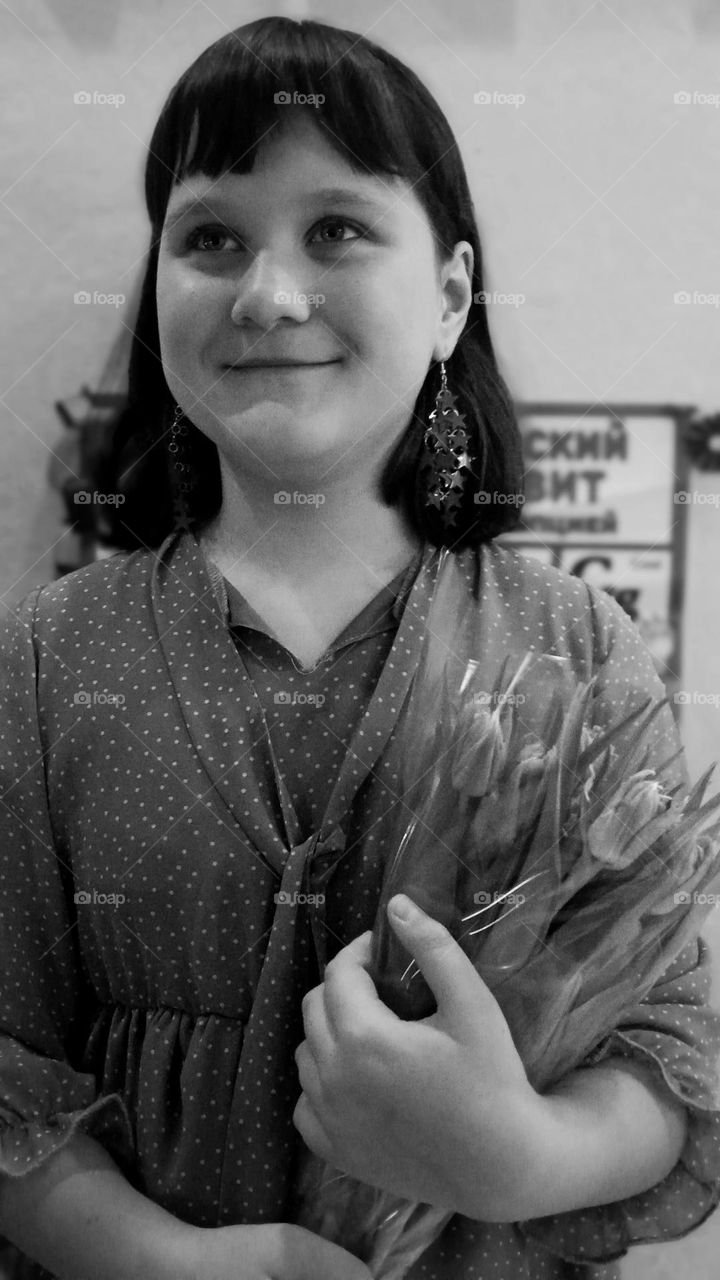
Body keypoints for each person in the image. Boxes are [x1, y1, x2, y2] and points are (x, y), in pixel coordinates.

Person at [1, 15, 720, 1280]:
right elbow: (7, 1054)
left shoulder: (577, 644)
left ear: (449, 294)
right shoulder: (51, 654)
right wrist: (163, 1261)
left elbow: (670, 1047)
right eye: (211, 236)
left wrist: (524, 1155)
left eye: (336, 229)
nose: (269, 293)